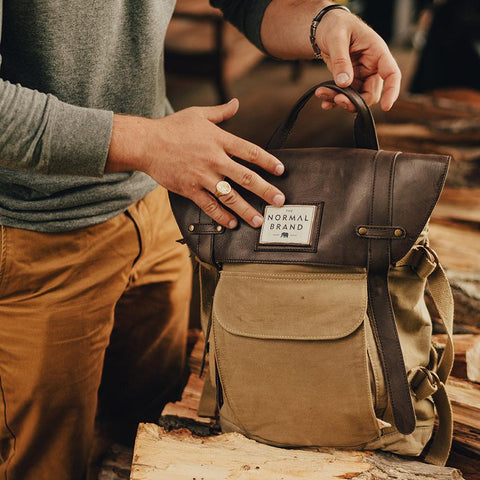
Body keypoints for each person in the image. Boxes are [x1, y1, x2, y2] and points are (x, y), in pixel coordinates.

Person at [0, 1, 401, 479]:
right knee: (48, 464)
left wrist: (322, 22)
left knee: (151, 437)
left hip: (158, 200)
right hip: (37, 228)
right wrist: (147, 143)